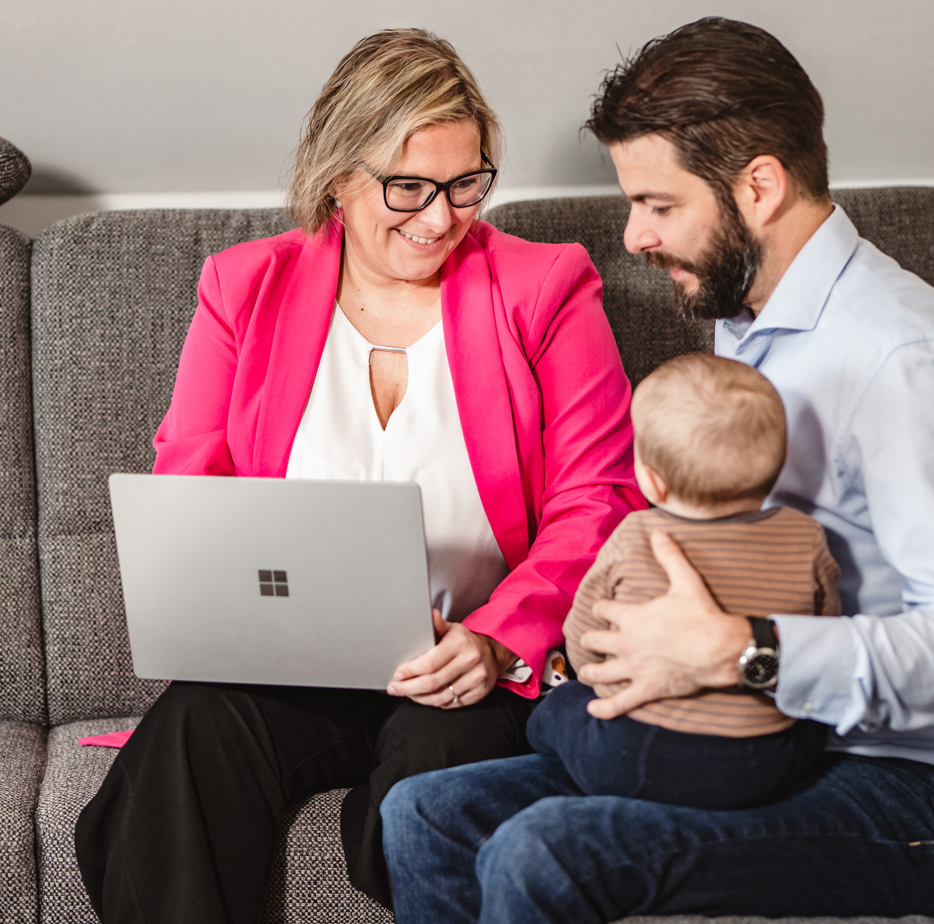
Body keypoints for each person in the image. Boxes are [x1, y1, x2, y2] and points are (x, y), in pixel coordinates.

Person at [380, 17, 934, 923]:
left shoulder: (907, 364)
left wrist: (742, 652)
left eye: (658, 207)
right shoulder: (750, 316)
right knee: (425, 811)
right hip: (779, 739)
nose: (632, 237)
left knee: (546, 852)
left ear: (759, 186)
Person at [74, 28, 645, 924]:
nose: (439, 216)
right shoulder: (243, 286)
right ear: (337, 176)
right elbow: (194, 487)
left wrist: (497, 638)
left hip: (467, 666)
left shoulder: (544, 287)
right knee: (188, 744)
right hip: (291, 662)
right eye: (407, 186)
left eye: (465, 184)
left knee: (427, 794)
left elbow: (598, 498)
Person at [527, 353, 840, 810]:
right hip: (765, 763)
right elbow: (822, 629)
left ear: (652, 482)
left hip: (634, 756)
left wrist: (594, 678)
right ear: (783, 461)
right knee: (813, 723)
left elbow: (583, 638)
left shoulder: (636, 533)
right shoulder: (806, 535)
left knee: (558, 705)